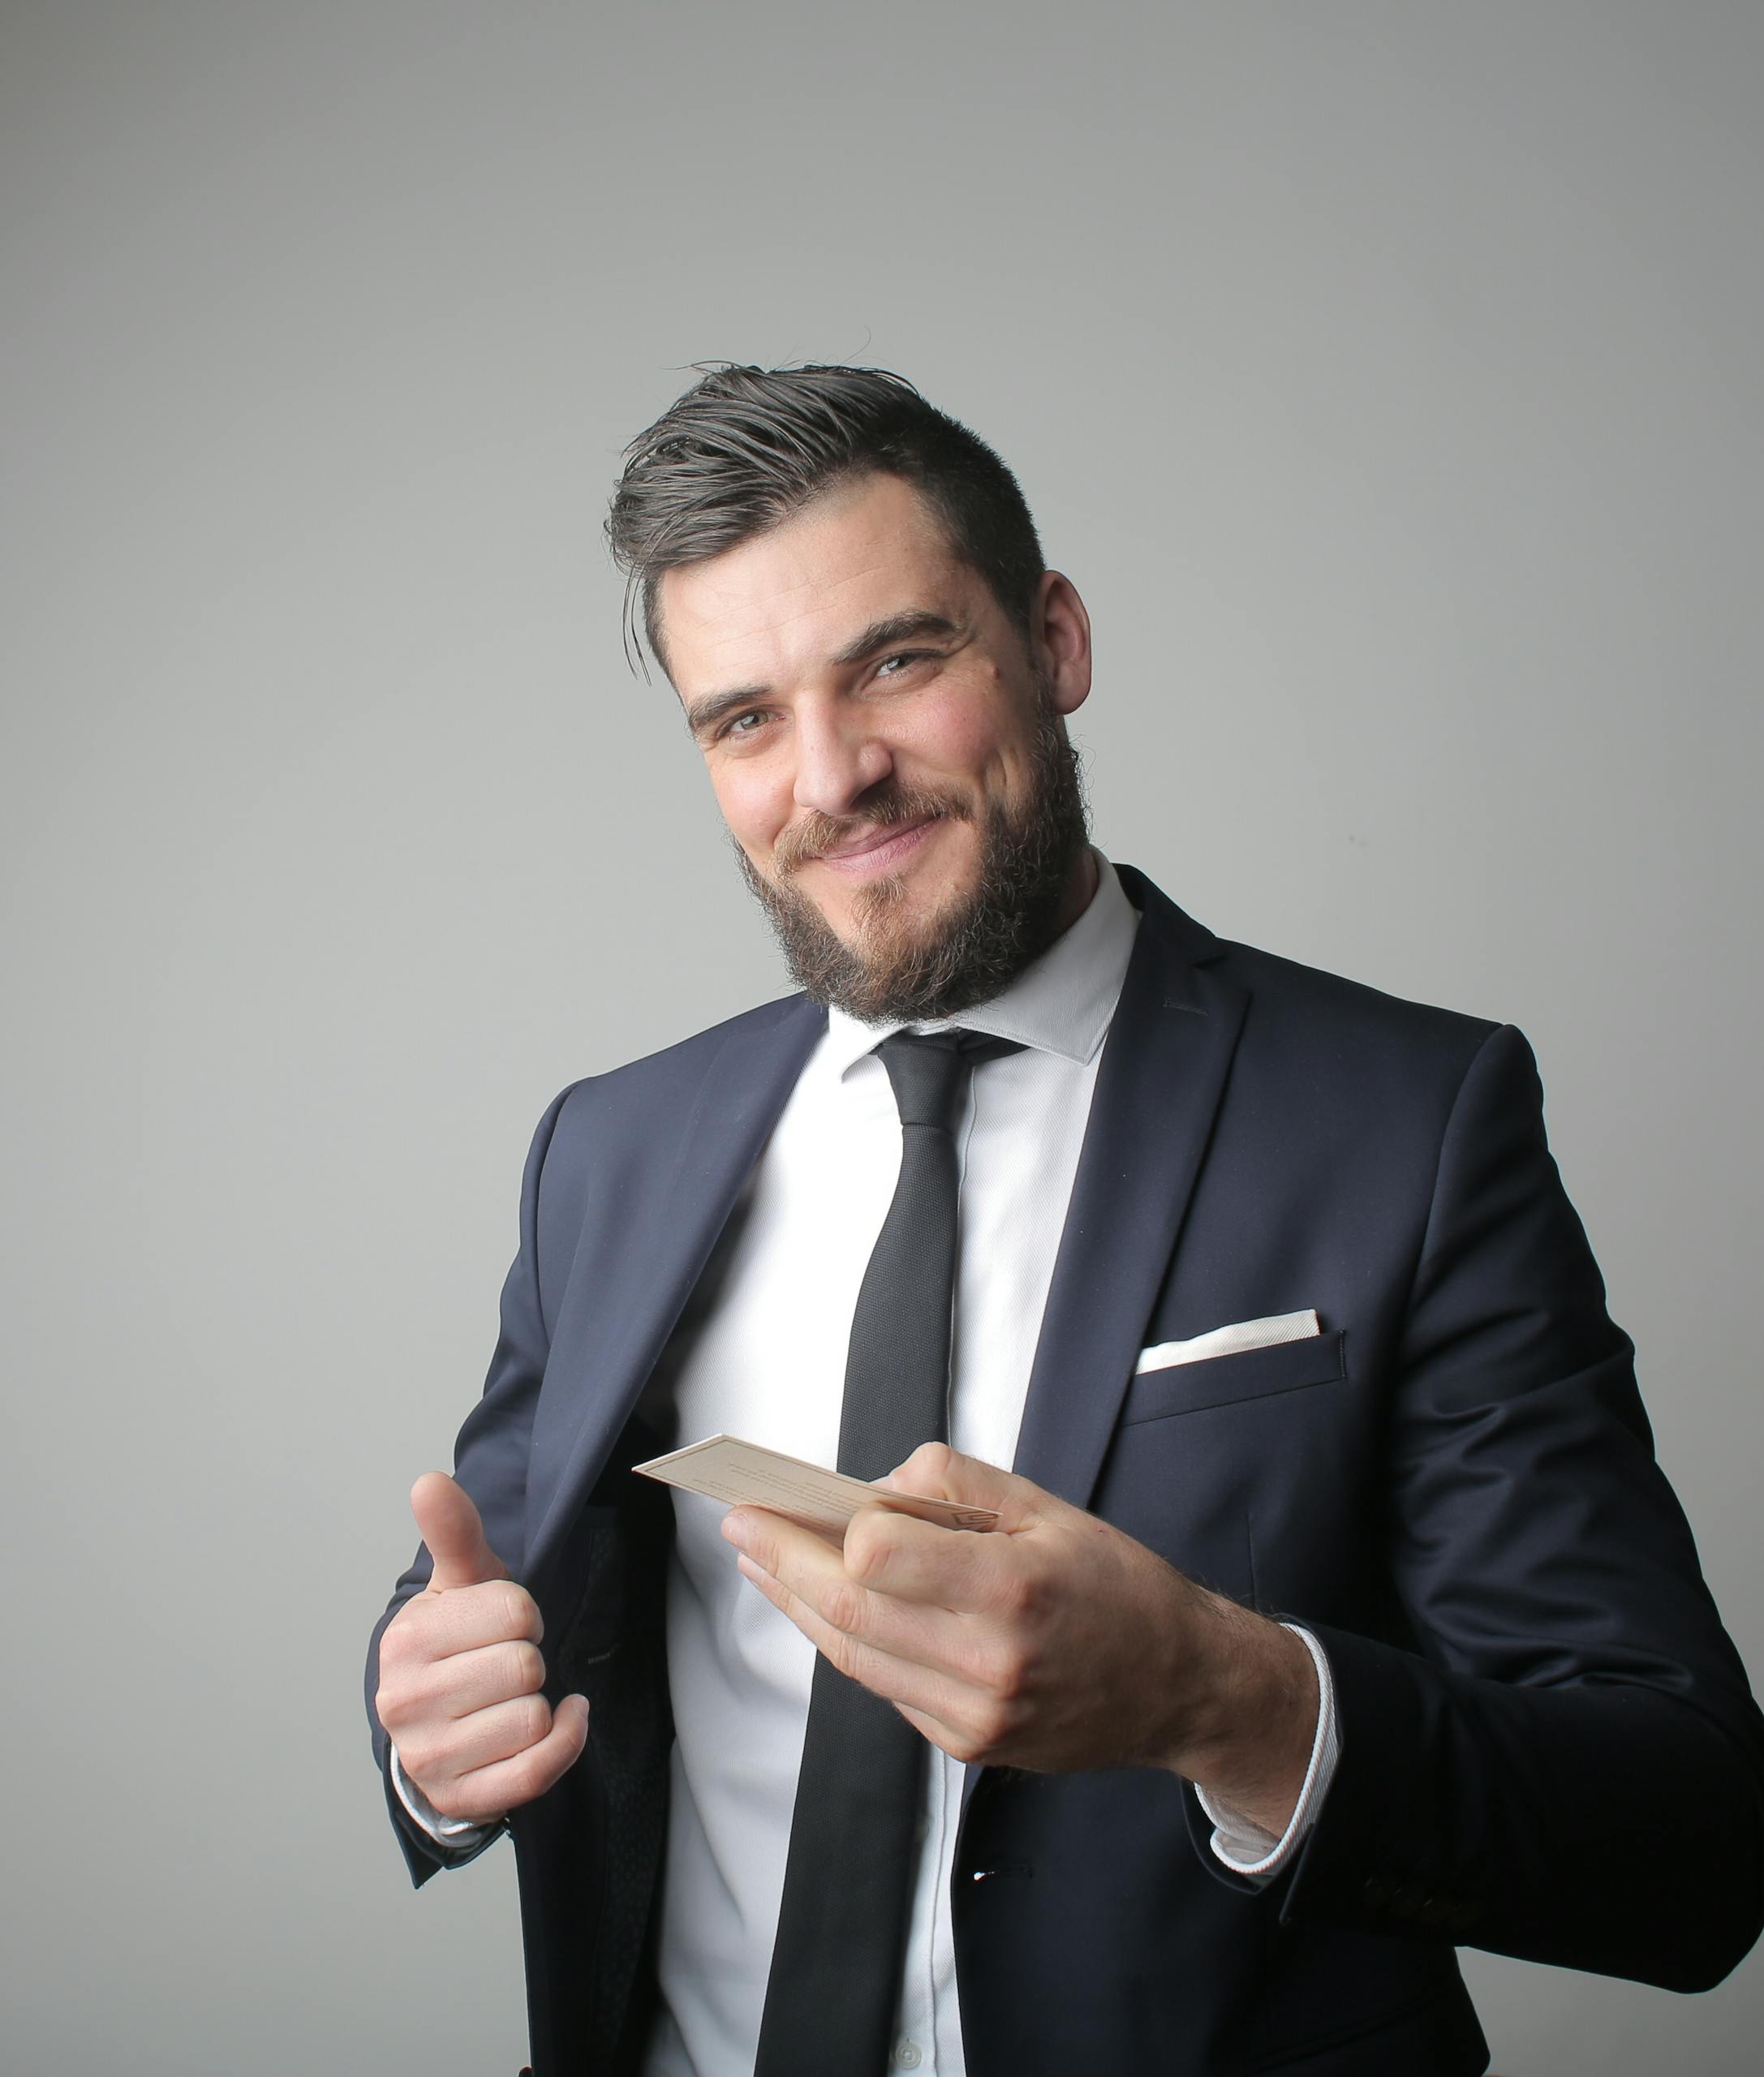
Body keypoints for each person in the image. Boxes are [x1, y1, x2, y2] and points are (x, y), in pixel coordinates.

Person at [366, 365, 1764, 2077]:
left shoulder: (1407, 1121)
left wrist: (1218, 1696)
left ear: (1056, 641)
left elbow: (1688, 1838)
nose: (834, 775)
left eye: (896, 659)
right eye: (743, 718)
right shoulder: (610, 1145)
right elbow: (491, 1595)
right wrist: (432, 1723)